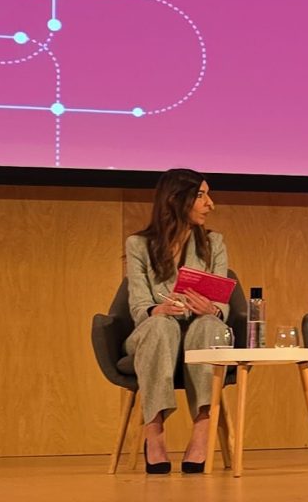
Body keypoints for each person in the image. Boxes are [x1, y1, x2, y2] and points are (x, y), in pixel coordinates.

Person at [124, 168, 229, 474]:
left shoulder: (214, 242)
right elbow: (139, 305)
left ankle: (203, 429)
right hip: (156, 332)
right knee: (160, 326)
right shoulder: (139, 245)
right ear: (176, 199)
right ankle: (154, 432)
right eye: (201, 196)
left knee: (209, 325)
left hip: (201, 328)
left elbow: (222, 302)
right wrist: (158, 310)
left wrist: (211, 309)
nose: (210, 204)